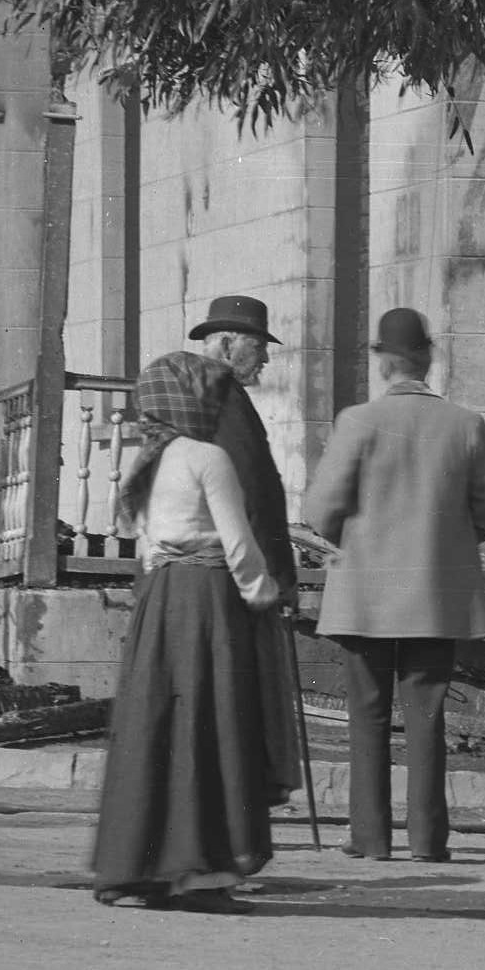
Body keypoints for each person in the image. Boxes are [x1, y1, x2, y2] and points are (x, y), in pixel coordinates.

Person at [298, 306, 485, 864]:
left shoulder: (356, 422)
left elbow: (319, 511)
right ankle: (427, 839)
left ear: (383, 361)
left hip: (365, 594)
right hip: (435, 595)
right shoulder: (466, 424)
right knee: (426, 717)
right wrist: (444, 538)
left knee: (366, 716)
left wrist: (358, 537)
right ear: (427, 357)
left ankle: (370, 837)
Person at [94, 335, 290, 905]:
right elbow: (239, 543)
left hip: (162, 600)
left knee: (158, 726)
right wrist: (263, 593)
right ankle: (201, 872)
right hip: (210, 600)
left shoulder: (150, 461)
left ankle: (140, 867)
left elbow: (148, 547)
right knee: (211, 723)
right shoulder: (208, 457)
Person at [179, 298, 310, 826]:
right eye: (259, 347)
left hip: (200, 566)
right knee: (236, 693)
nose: (267, 360)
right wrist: (279, 576)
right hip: (232, 571)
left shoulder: (197, 393)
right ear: (228, 344)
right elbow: (254, 493)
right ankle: (230, 807)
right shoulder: (224, 398)